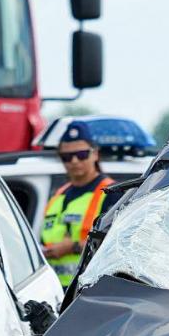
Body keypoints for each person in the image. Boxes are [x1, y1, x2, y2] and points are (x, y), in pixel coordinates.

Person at [41, 122, 115, 289]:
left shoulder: (111, 193)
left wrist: (73, 247)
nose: (74, 161)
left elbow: (114, 244)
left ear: (95, 154)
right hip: (53, 291)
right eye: (67, 157)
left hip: (89, 290)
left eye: (81, 154)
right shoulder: (58, 195)